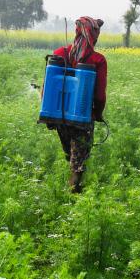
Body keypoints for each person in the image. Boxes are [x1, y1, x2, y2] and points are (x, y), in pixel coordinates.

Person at [51, 16, 107, 193]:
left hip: (59, 116)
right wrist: (98, 114)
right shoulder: (98, 60)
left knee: (71, 155)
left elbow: (49, 86)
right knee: (78, 165)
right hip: (82, 119)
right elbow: (99, 95)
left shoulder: (60, 53)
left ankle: (71, 191)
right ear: (93, 36)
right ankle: (72, 199)